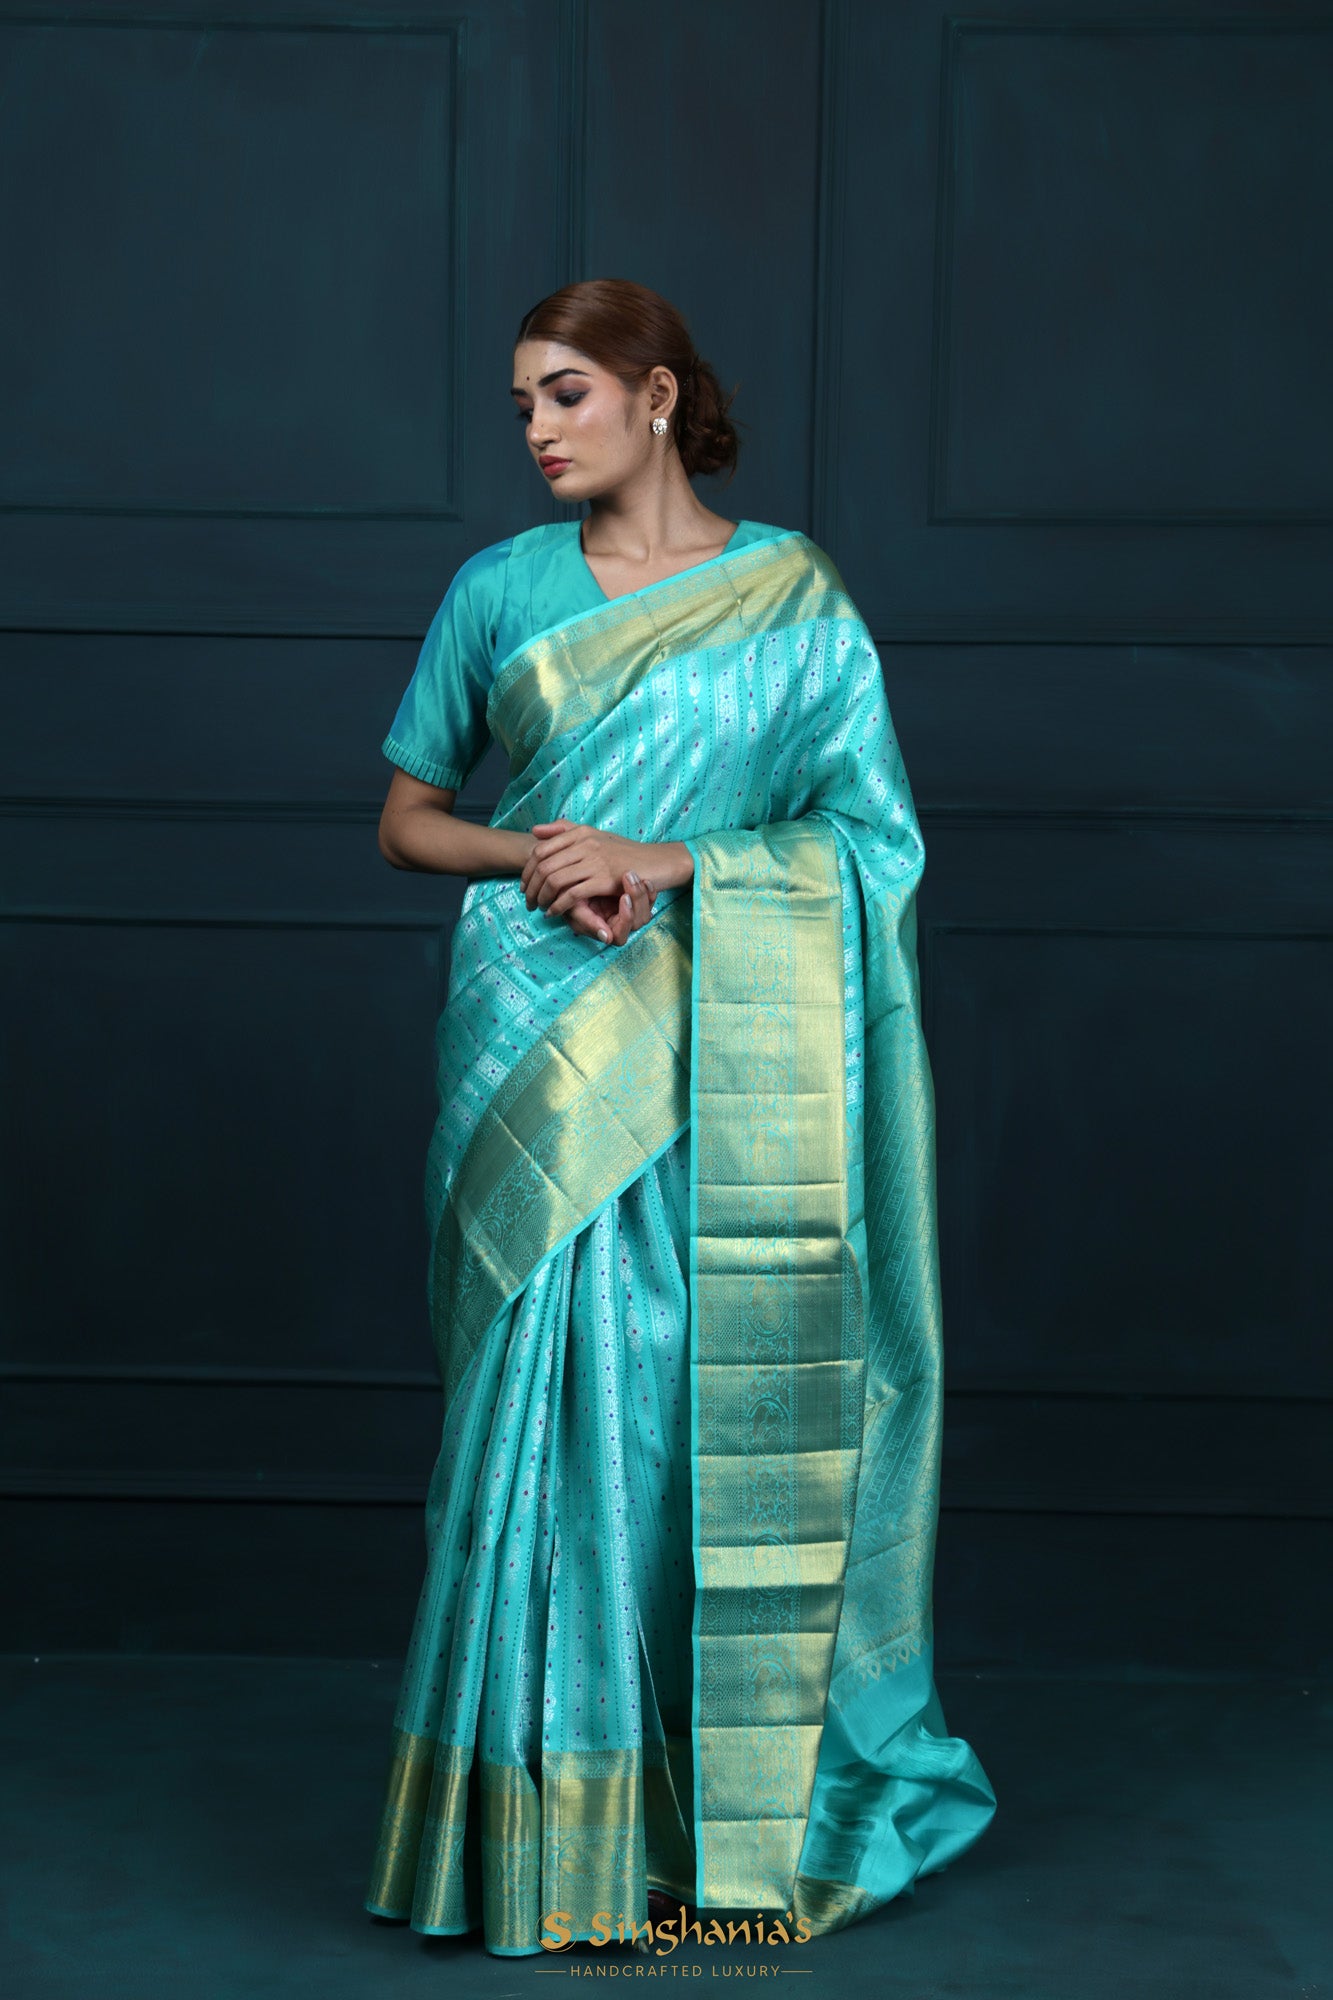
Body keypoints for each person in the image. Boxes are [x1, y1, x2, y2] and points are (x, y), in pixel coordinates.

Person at [362, 278, 997, 1958]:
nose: (535, 429)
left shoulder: (792, 594)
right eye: (520, 403)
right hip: (537, 1037)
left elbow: (870, 842)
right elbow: (410, 820)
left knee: (690, 1420)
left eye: (564, 393)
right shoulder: (496, 590)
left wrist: (676, 861)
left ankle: (703, 1830)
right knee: (536, 1418)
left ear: (656, 396)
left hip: (730, 1055)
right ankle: (533, 1834)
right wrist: (540, 851)